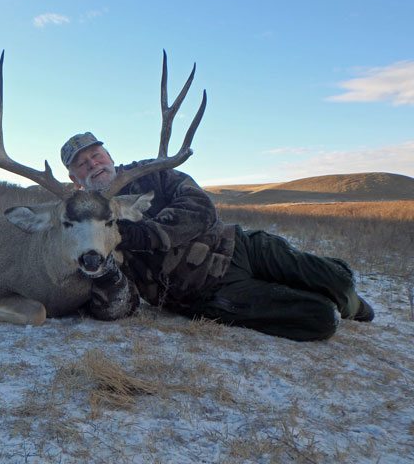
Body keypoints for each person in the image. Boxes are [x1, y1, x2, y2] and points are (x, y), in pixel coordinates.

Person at [60, 132, 375, 342]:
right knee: (319, 319)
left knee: (338, 281)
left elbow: (200, 206)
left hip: (241, 246)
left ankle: (346, 293)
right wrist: (105, 274)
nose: (94, 165)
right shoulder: (84, 231)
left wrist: (150, 234)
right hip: (209, 294)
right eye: (83, 164)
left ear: (109, 156)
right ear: (75, 180)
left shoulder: (153, 172)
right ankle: (327, 295)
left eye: (96, 155)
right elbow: (120, 307)